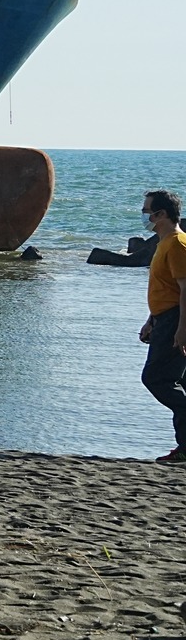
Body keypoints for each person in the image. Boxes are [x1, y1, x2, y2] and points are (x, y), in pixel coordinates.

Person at [138, 190, 186, 461]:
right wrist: (151, 320)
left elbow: (185, 289)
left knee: (157, 378)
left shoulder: (178, 243)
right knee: (179, 381)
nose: (144, 215)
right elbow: (164, 288)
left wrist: (181, 328)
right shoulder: (163, 243)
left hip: (176, 319)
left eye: (147, 210)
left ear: (162, 214)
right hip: (165, 319)